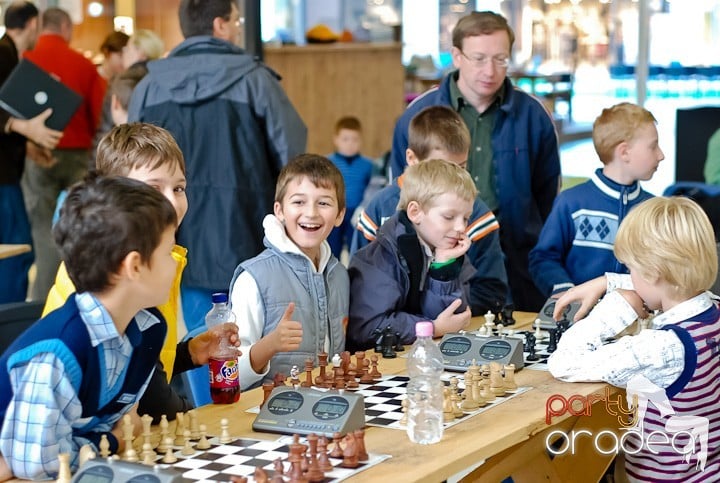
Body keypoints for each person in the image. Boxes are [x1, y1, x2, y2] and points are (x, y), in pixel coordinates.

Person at [128, 0, 306, 331]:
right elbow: (292, 158)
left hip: (169, 234)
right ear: (220, 25)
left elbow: (127, 170)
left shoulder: (148, 88)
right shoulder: (256, 82)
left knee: (193, 338)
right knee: (252, 337)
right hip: (249, 231)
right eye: (236, 21)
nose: (238, 28)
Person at [42, 123, 238, 422]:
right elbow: (150, 397)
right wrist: (200, 424)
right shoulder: (115, 273)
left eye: (179, 188)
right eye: (153, 188)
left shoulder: (157, 256)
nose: (171, 202)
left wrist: (186, 354)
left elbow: (145, 361)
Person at [0, 175, 177, 480]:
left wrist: (107, 438)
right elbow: (39, 466)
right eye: (167, 252)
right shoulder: (58, 351)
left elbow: (126, 422)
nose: (175, 262)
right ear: (134, 266)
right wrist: (111, 441)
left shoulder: (149, 329)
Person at [389, 11, 561, 312]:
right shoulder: (418, 114)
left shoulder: (534, 115)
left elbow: (547, 196)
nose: (491, 70)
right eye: (479, 58)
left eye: (501, 59)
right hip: (438, 259)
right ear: (457, 56)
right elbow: (403, 190)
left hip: (517, 261)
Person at [547, 196, 720, 481]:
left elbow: (564, 363)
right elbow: (671, 282)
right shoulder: (713, 312)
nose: (629, 276)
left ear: (652, 272)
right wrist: (610, 281)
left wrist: (616, 306)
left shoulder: (662, 348)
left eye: (630, 269)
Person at [352, 105, 507, 315]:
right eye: (439, 167)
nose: (451, 177)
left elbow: (491, 291)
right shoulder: (378, 208)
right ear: (412, 159)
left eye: (460, 168)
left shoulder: (477, 214)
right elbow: (358, 282)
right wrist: (423, 324)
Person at [228, 154, 348, 390]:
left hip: (326, 407)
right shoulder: (253, 279)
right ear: (279, 210)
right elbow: (230, 375)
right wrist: (270, 345)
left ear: (340, 215)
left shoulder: (340, 275)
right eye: (299, 202)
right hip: (265, 414)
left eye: (323, 203)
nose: (311, 213)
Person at [529, 102, 662, 298]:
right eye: (653, 146)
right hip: (579, 319)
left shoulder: (654, 211)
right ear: (624, 152)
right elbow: (543, 258)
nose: (661, 155)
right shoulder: (572, 203)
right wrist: (565, 290)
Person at [347, 159, 476, 351]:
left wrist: (443, 269)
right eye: (449, 217)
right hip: (379, 367)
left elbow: (453, 320)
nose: (460, 228)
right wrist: (431, 328)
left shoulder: (446, 250)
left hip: (421, 359)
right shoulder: (381, 257)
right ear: (415, 212)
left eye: (465, 218)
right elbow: (367, 327)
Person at [23, 7, 106, 302]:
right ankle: (81, 294)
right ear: (66, 29)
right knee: (81, 227)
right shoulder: (83, 64)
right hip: (77, 155)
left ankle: (39, 300)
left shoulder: (25, 60)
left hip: (36, 153)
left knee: (43, 232)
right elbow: (99, 113)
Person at [0, 1, 62, 303]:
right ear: (33, 24)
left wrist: (29, 146)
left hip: (9, 172)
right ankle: (8, 324)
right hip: (3, 179)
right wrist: (26, 129)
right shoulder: (2, 54)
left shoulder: (12, 56)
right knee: (17, 252)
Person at [326, 116, 374, 259]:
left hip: (357, 213)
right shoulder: (327, 162)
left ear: (361, 140)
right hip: (335, 210)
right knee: (332, 246)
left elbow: (370, 189)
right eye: (345, 139)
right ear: (336, 140)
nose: (350, 144)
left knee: (357, 246)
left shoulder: (368, 165)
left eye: (355, 139)